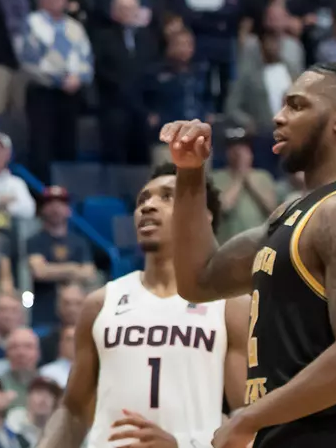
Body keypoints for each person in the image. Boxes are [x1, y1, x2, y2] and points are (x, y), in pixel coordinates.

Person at [162, 62, 336, 448]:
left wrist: (250, 416)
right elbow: (197, 280)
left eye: (297, 106)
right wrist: (190, 172)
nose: (278, 116)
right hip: (284, 434)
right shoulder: (294, 213)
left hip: (331, 437)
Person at [37, 164, 250, 448]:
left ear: (204, 216)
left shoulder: (229, 305)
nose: (148, 206)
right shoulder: (100, 303)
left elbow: (248, 420)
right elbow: (74, 410)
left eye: (166, 197)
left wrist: (182, 445)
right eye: (143, 200)